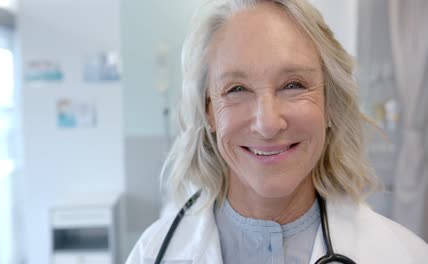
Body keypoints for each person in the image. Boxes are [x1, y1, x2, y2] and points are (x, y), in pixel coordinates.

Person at [126, 0, 428, 263]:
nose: (267, 123)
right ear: (209, 113)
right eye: (237, 89)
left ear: (329, 104)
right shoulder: (150, 256)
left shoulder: (405, 256)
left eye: (293, 85)